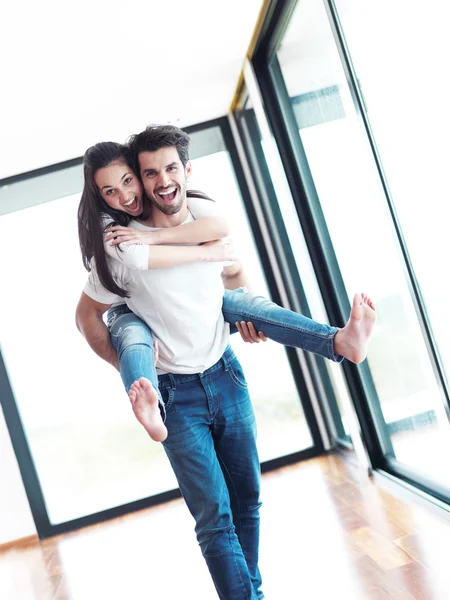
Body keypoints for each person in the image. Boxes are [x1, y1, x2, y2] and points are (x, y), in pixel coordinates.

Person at [76, 124, 376, 599]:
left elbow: (231, 268)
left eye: (156, 173)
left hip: (225, 373)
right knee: (215, 518)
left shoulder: (199, 210)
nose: (145, 186)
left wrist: (240, 309)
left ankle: (339, 341)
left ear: (183, 171)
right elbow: (87, 315)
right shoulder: (117, 243)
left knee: (248, 502)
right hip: (175, 395)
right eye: (142, 176)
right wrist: (124, 367)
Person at [76, 140, 376, 446]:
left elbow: (227, 250)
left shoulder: (191, 209)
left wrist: (252, 321)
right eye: (110, 190)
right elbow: (128, 268)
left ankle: (338, 341)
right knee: (133, 336)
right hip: (152, 348)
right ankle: (149, 404)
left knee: (243, 302)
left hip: (215, 351)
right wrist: (120, 362)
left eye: (128, 181)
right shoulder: (115, 234)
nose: (126, 195)